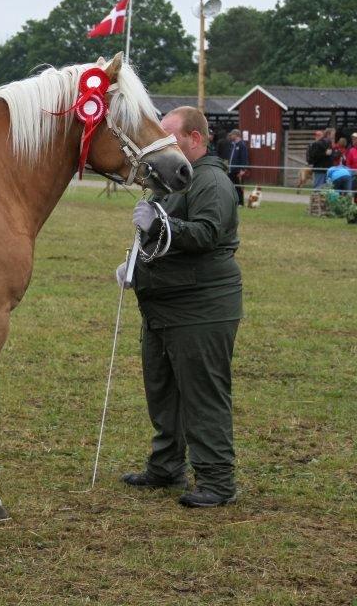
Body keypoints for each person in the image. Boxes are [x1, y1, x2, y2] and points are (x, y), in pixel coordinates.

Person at [117, 105, 242, 508]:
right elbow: (159, 237)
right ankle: (166, 465)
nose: (165, 145)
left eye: (172, 138)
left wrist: (162, 225)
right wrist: (134, 262)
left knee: (203, 394)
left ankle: (217, 481)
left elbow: (206, 233)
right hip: (164, 305)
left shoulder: (211, 181)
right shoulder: (172, 182)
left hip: (201, 306)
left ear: (195, 138)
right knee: (163, 390)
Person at [226, 129, 248, 206]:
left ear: (236, 135)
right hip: (231, 169)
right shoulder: (233, 145)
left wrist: (243, 169)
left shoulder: (242, 145)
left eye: (232, 134)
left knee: (238, 187)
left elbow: (244, 157)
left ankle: (241, 203)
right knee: (230, 186)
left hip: (237, 170)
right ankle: (233, 201)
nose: (231, 136)